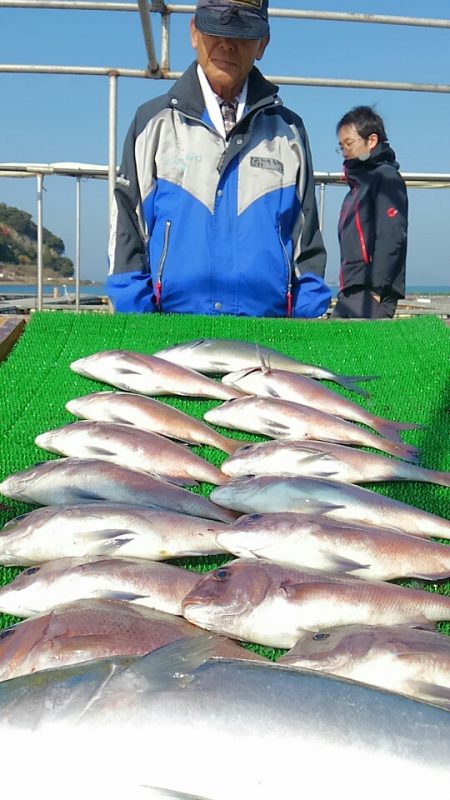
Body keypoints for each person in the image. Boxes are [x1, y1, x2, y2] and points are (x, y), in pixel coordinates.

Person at [106, 0, 331, 318]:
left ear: (262, 44)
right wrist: (139, 321)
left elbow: (305, 242)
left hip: (268, 330)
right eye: (215, 31)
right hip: (171, 329)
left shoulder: (289, 131)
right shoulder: (153, 122)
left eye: (242, 34)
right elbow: (127, 230)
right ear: (194, 33)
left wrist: (304, 321)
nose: (227, 45)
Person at [332, 105, 408, 319]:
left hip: (371, 289)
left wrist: (376, 288)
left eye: (349, 143)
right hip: (352, 286)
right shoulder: (357, 186)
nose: (345, 151)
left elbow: (392, 235)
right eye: (341, 146)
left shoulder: (386, 177)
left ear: (372, 140)